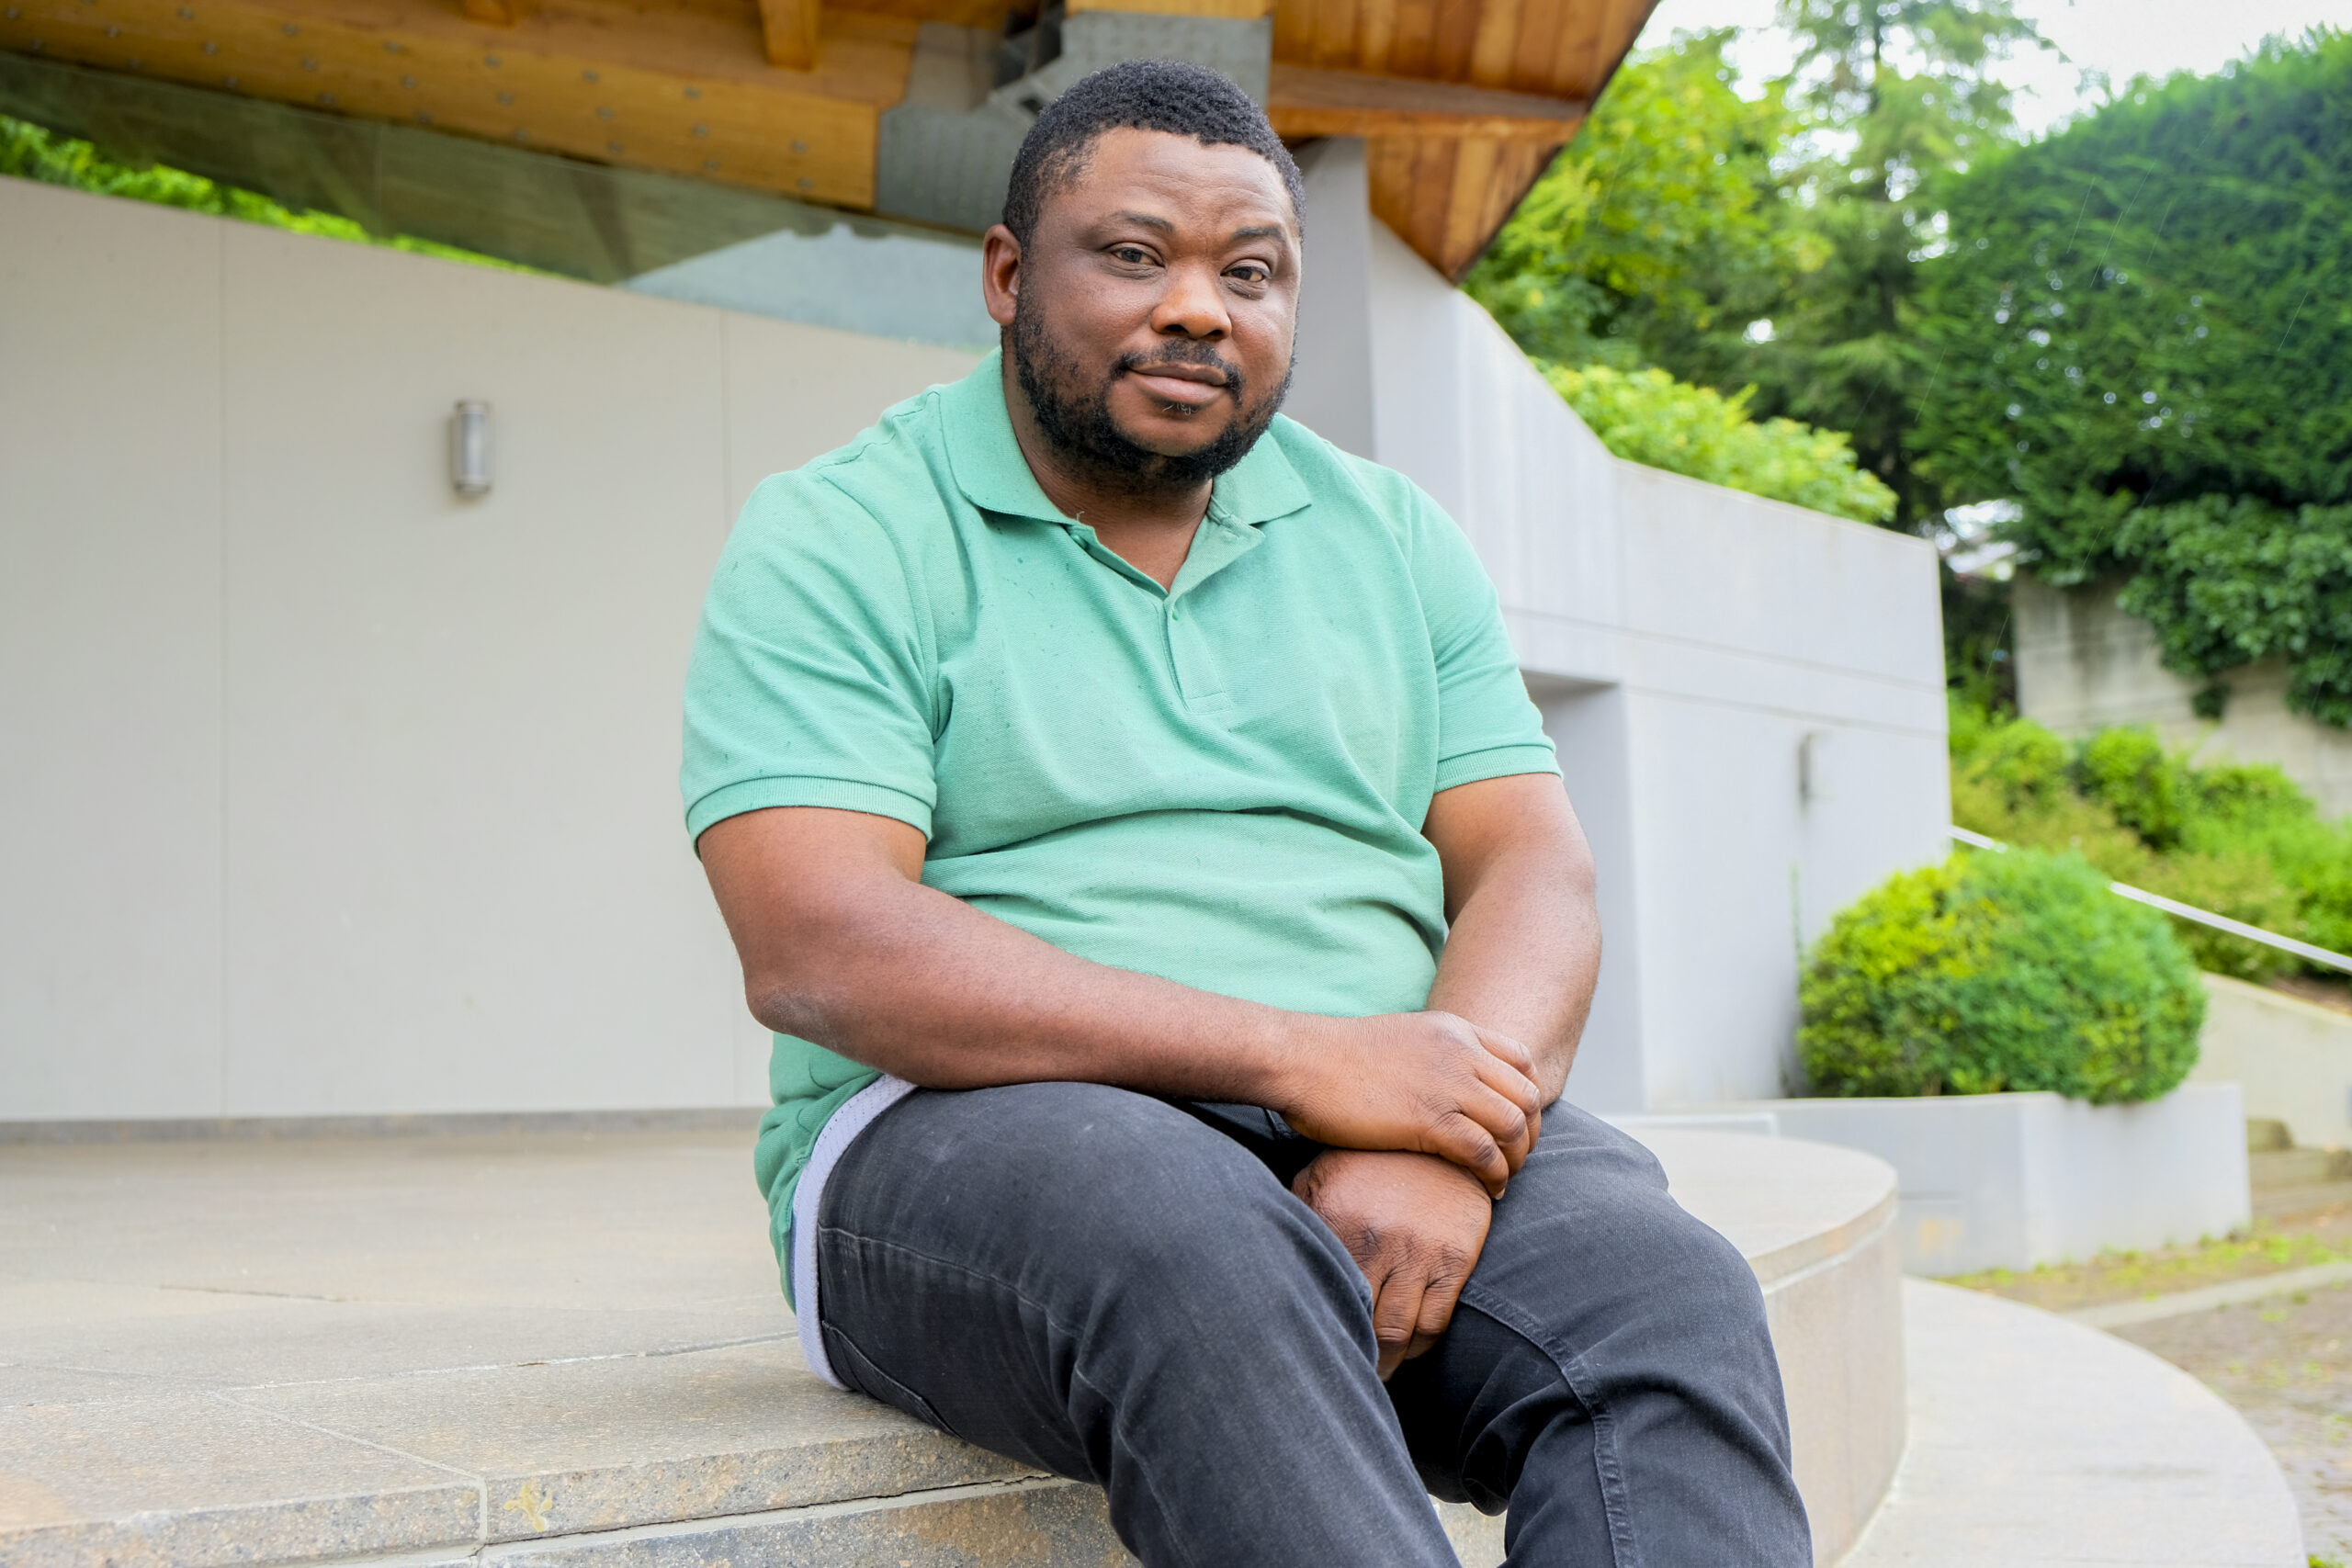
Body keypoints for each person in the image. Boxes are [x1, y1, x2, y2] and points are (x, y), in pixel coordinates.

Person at [682, 59, 1810, 1566]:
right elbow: (823, 944)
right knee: (1197, 1240)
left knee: (1665, 1300)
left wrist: (1444, 1141)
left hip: (1378, 1101)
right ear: (1008, 277)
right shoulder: (844, 532)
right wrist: (1313, 1061)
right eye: (1134, 255)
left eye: (1250, 272)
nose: (1198, 309)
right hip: (963, 1133)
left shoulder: (1390, 537)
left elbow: (1533, 871)